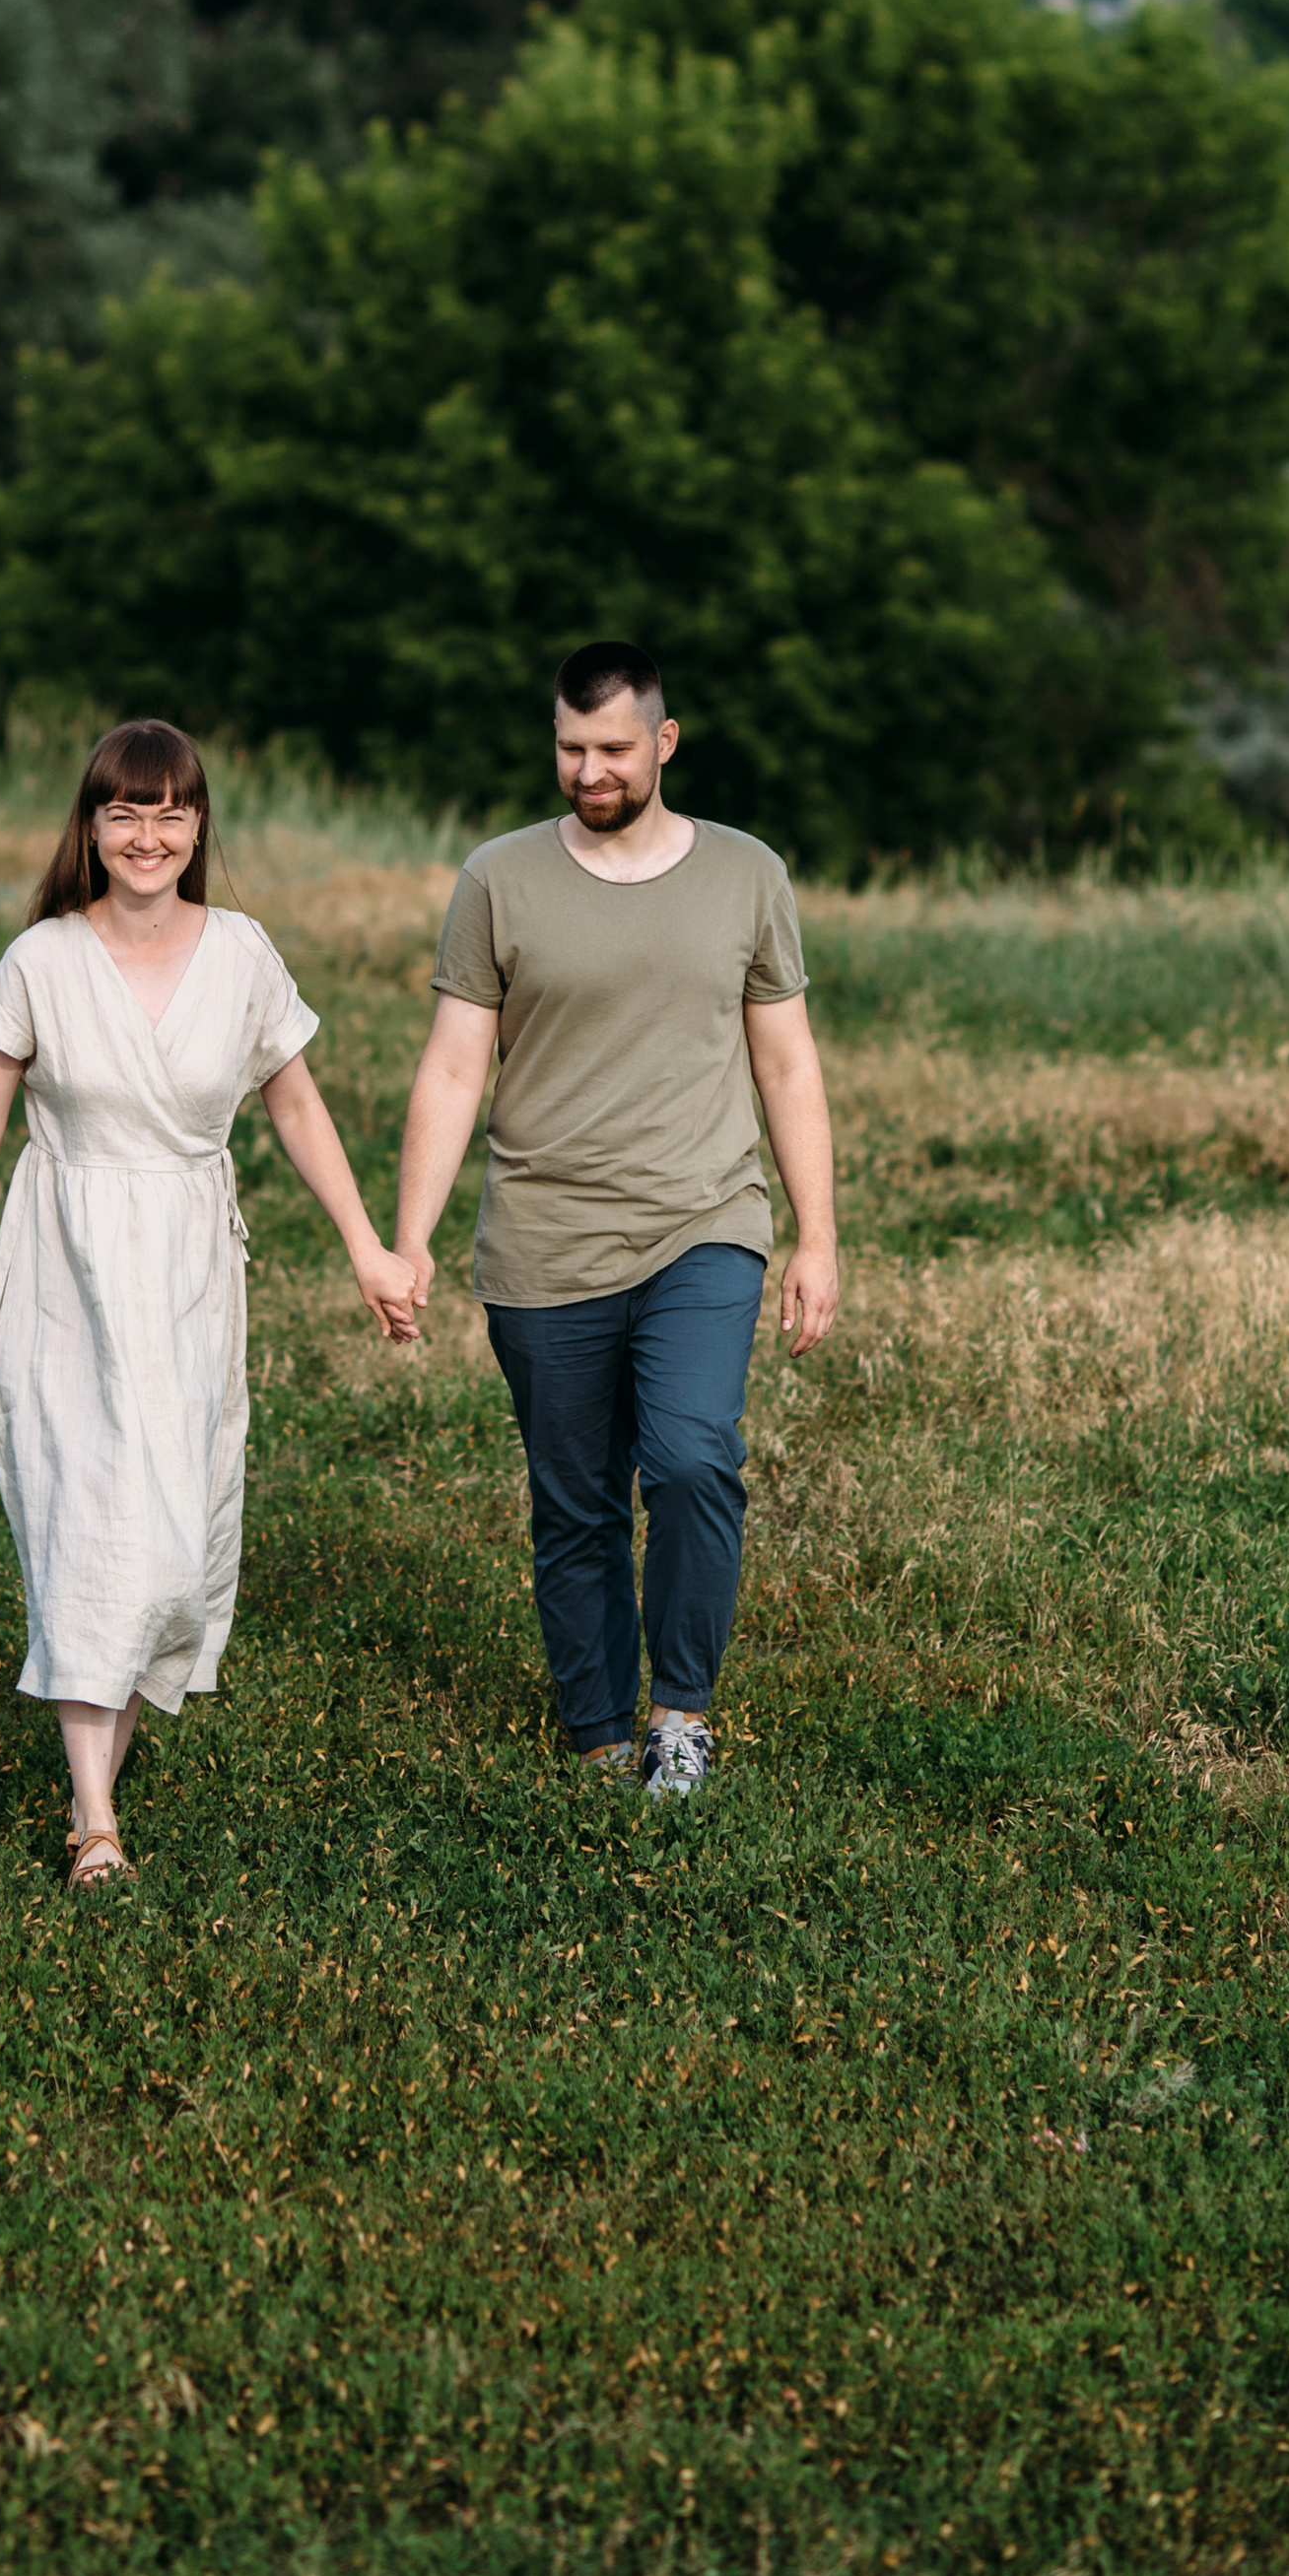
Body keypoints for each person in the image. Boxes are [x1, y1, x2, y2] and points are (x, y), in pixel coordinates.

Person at [0, 719, 420, 1888]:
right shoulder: (42, 960)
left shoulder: (246, 953)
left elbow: (297, 1109)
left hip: (186, 1267)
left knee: (165, 1531)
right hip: (63, 1263)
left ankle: (106, 1736)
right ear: (92, 827)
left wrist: (365, 1246)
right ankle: (94, 1815)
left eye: (169, 811)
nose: (147, 834)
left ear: (198, 825)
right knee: (83, 1524)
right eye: (124, 811)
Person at [393, 642, 839, 1800]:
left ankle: (679, 1715)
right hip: (542, 1240)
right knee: (576, 1498)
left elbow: (784, 1062)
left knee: (692, 1461)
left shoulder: (747, 873)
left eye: (610, 748)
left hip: (705, 1219)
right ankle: (597, 1726)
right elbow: (451, 1071)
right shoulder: (499, 876)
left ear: (663, 742)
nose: (586, 770)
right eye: (568, 747)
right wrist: (409, 1240)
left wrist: (816, 1234)